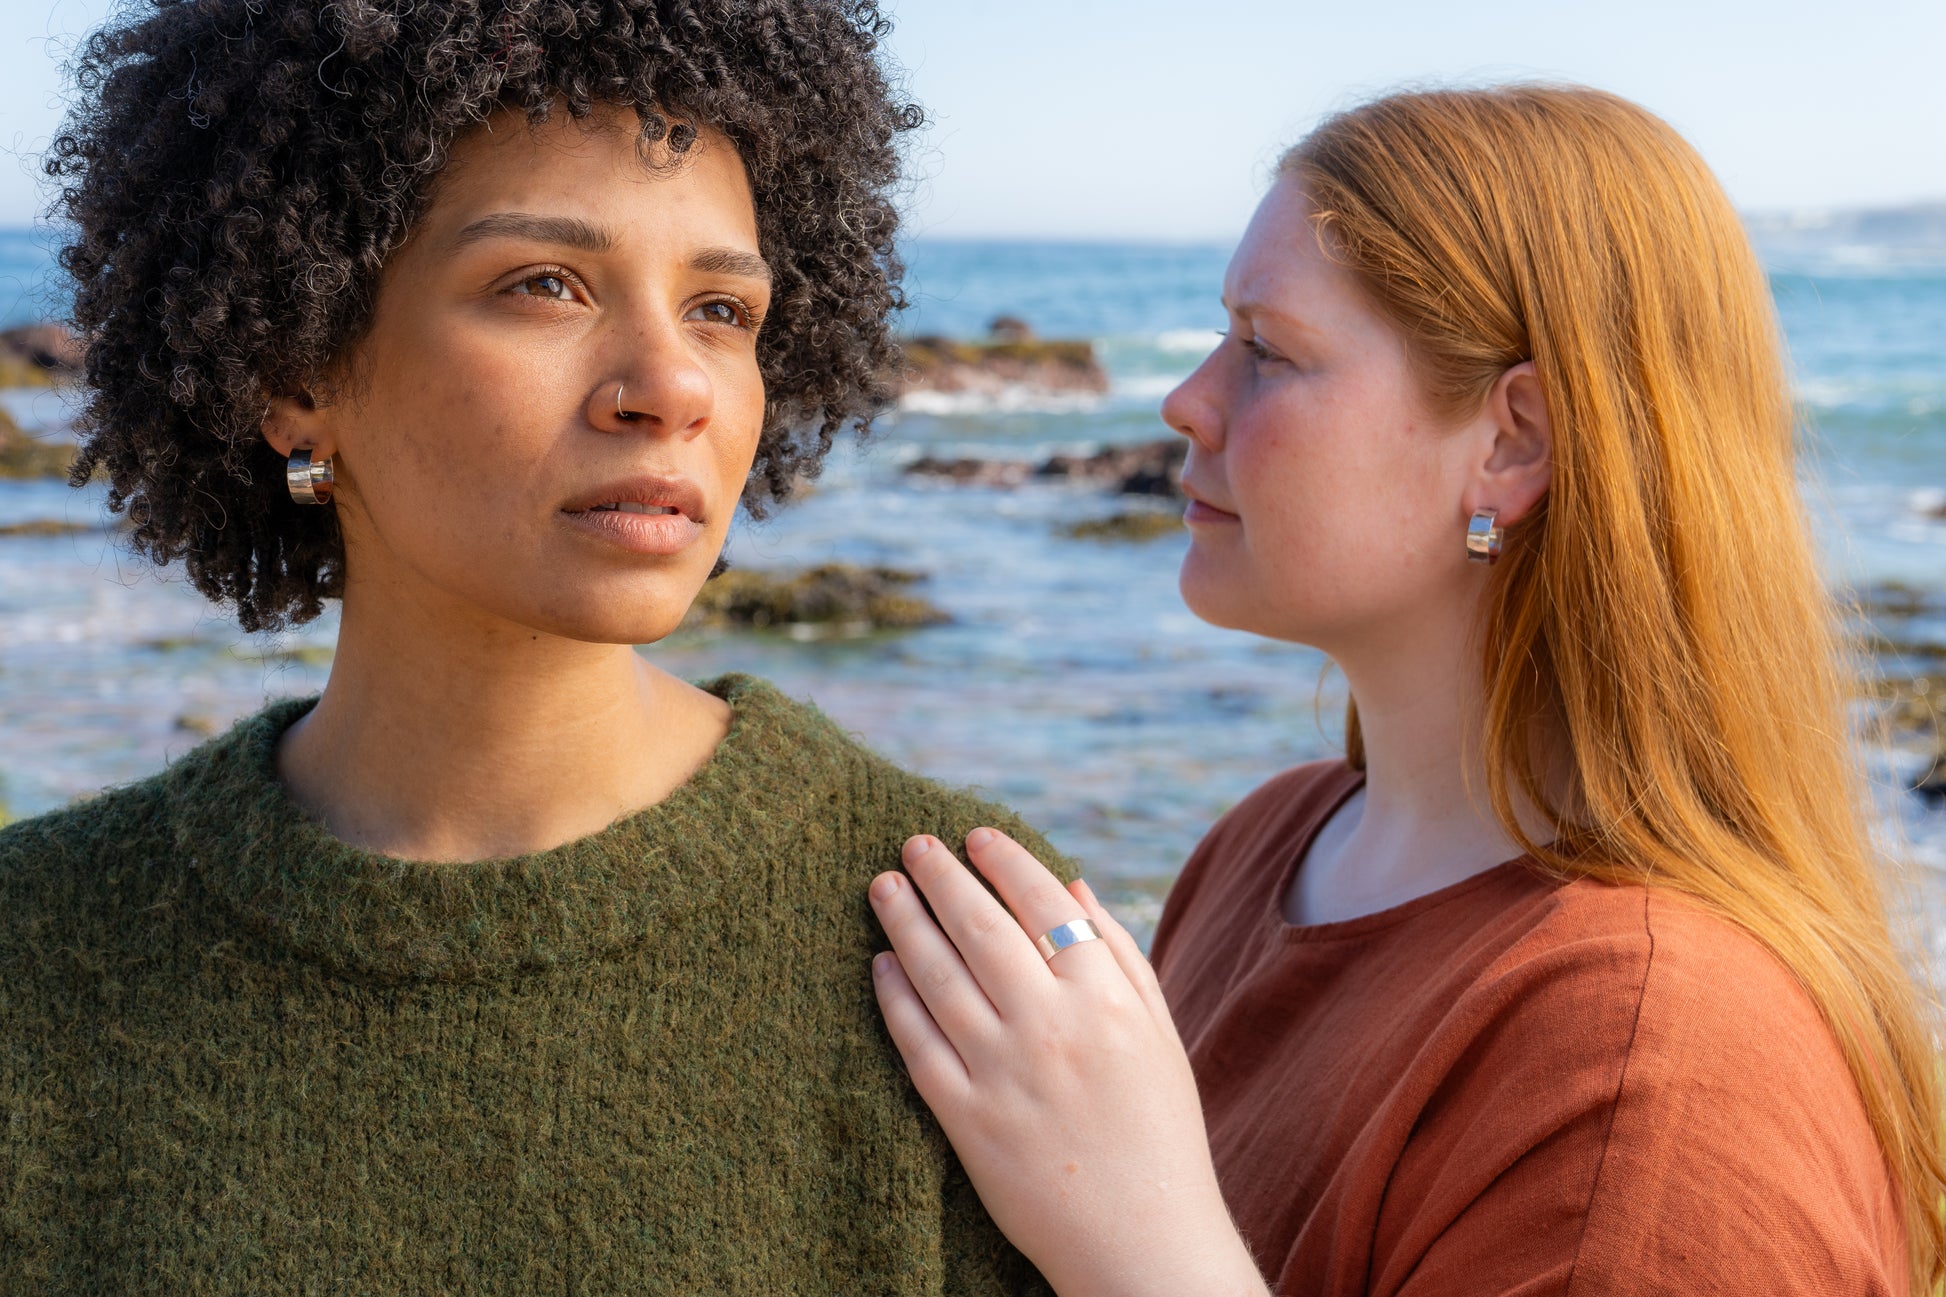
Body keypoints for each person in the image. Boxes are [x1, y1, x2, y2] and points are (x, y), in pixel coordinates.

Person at [0, 1, 1069, 1291]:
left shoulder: (961, 936)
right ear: (293, 367)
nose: (668, 384)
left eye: (723, 308)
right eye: (544, 285)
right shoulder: (37, 955)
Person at [868, 84, 1945, 1296]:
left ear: (1511, 442)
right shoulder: (1267, 841)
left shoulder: (1657, 1065)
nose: (1186, 399)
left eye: (1266, 350)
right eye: (1219, 335)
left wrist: (1132, 1230)